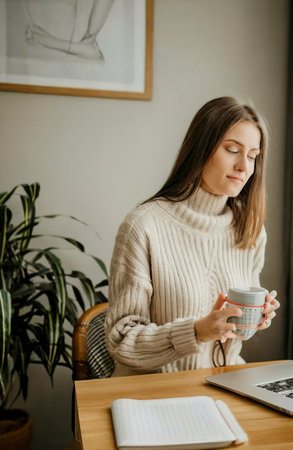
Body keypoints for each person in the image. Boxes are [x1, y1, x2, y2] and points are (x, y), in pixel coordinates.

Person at [105, 96, 280, 377]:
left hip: (225, 384)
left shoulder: (251, 229)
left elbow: (232, 333)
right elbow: (121, 340)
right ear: (201, 149)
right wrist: (196, 332)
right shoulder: (144, 225)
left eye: (252, 156)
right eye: (232, 150)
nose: (244, 167)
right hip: (154, 393)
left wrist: (255, 317)